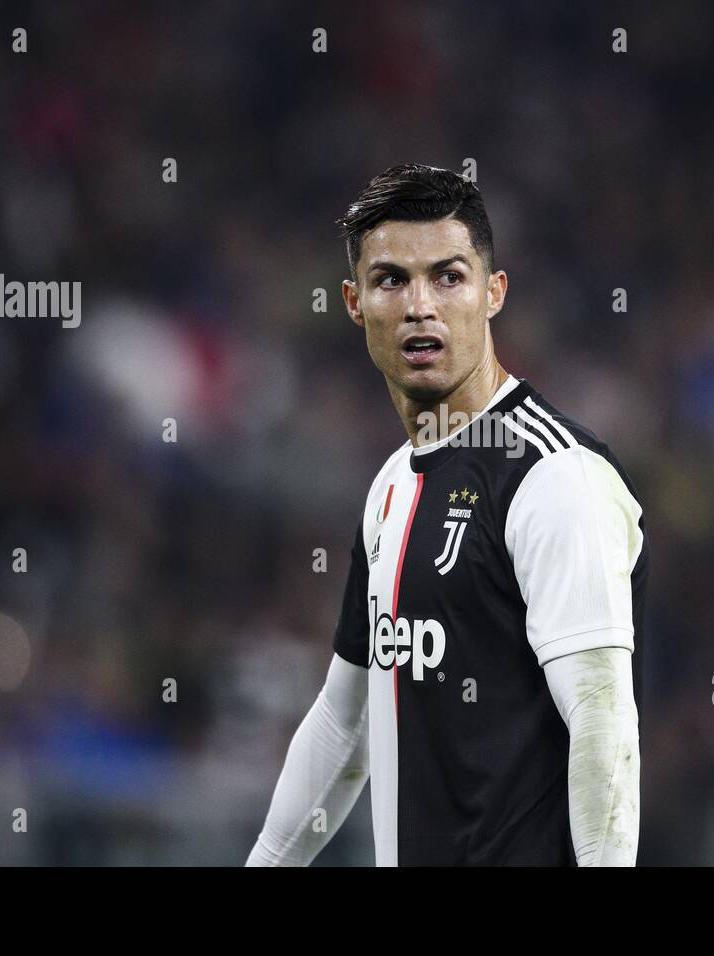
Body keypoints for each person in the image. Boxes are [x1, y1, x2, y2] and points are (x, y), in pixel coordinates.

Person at [247, 164, 647, 866]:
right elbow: (346, 721)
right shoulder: (392, 486)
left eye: (449, 277)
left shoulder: (556, 476)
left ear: (494, 294)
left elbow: (603, 722)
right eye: (392, 280)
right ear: (353, 301)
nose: (419, 306)